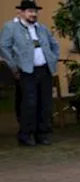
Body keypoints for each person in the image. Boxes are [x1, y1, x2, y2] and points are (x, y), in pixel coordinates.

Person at [1, 0, 57, 146]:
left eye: (34, 11)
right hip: (26, 70)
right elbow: (4, 47)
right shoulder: (11, 27)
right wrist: (14, 66)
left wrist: (53, 58)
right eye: (30, 11)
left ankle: (42, 133)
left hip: (44, 69)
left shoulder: (41, 28)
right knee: (29, 103)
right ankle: (26, 134)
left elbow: (54, 44)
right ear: (21, 12)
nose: (33, 14)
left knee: (45, 103)